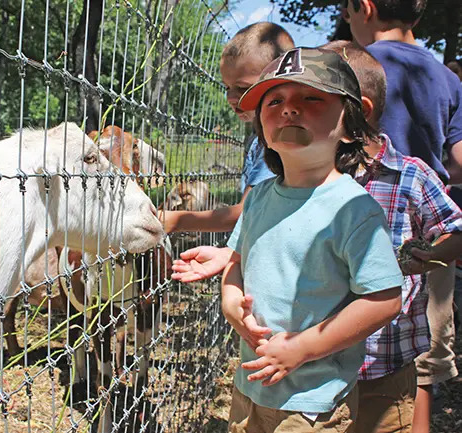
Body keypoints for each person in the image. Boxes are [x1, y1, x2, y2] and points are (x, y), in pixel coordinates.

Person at [222, 47, 403, 432]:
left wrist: (300, 349)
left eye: (311, 98)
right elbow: (235, 263)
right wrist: (231, 303)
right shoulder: (258, 198)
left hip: (312, 403)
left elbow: (384, 299)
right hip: (250, 386)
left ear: (351, 126)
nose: (289, 109)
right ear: (261, 130)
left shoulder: (354, 210)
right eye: (274, 100)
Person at [322, 40, 462, 433]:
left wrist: (422, 258)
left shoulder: (409, 177)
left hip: (384, 359)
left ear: (356, 111)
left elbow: (456, 230)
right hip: (319, 362)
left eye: (315, 101)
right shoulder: (307, 178)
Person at [160, 22, 293, 239]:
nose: (230, 98)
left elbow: (246, 213)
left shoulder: (277, 143)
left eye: (242, 88)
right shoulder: (258, 139)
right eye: (227, 87)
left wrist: (172, 219)